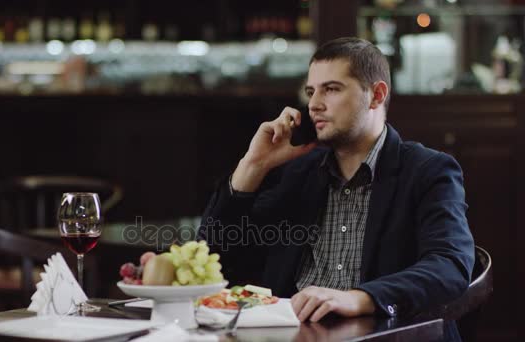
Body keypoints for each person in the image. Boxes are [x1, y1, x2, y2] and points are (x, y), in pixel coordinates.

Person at [198, 37, 474, 341]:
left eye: (331, 89)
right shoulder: (299, 171)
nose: (314, 104)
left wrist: (360, 297)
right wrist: (252, 166)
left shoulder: (427, 170)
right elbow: (214, 256)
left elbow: (449, 266)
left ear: (376, 95)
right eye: (310, 91)